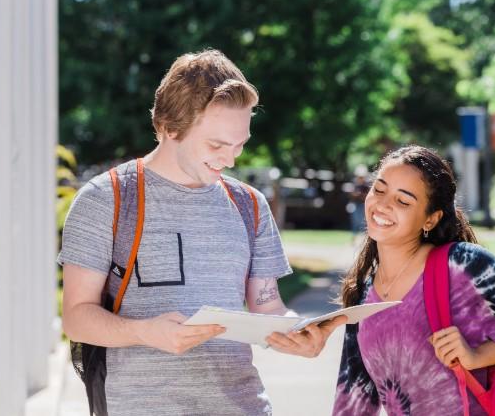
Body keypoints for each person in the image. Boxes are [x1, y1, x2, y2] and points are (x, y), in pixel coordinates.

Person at [58, 49, 345, 416]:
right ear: (168, 127)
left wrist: (298, 334)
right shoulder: (107, 199)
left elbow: (268, 307)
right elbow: (76, 318)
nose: (231, 160)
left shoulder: (249, 205)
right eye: (217, 145)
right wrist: (145, 332)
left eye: (240, 144)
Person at [330, 145, 495, 415]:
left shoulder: (460, 264)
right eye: (379, 190)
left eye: (403, 201)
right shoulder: (362, 295)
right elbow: (355, 397)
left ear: (430, 219)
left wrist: (479, 355)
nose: (383, 204)